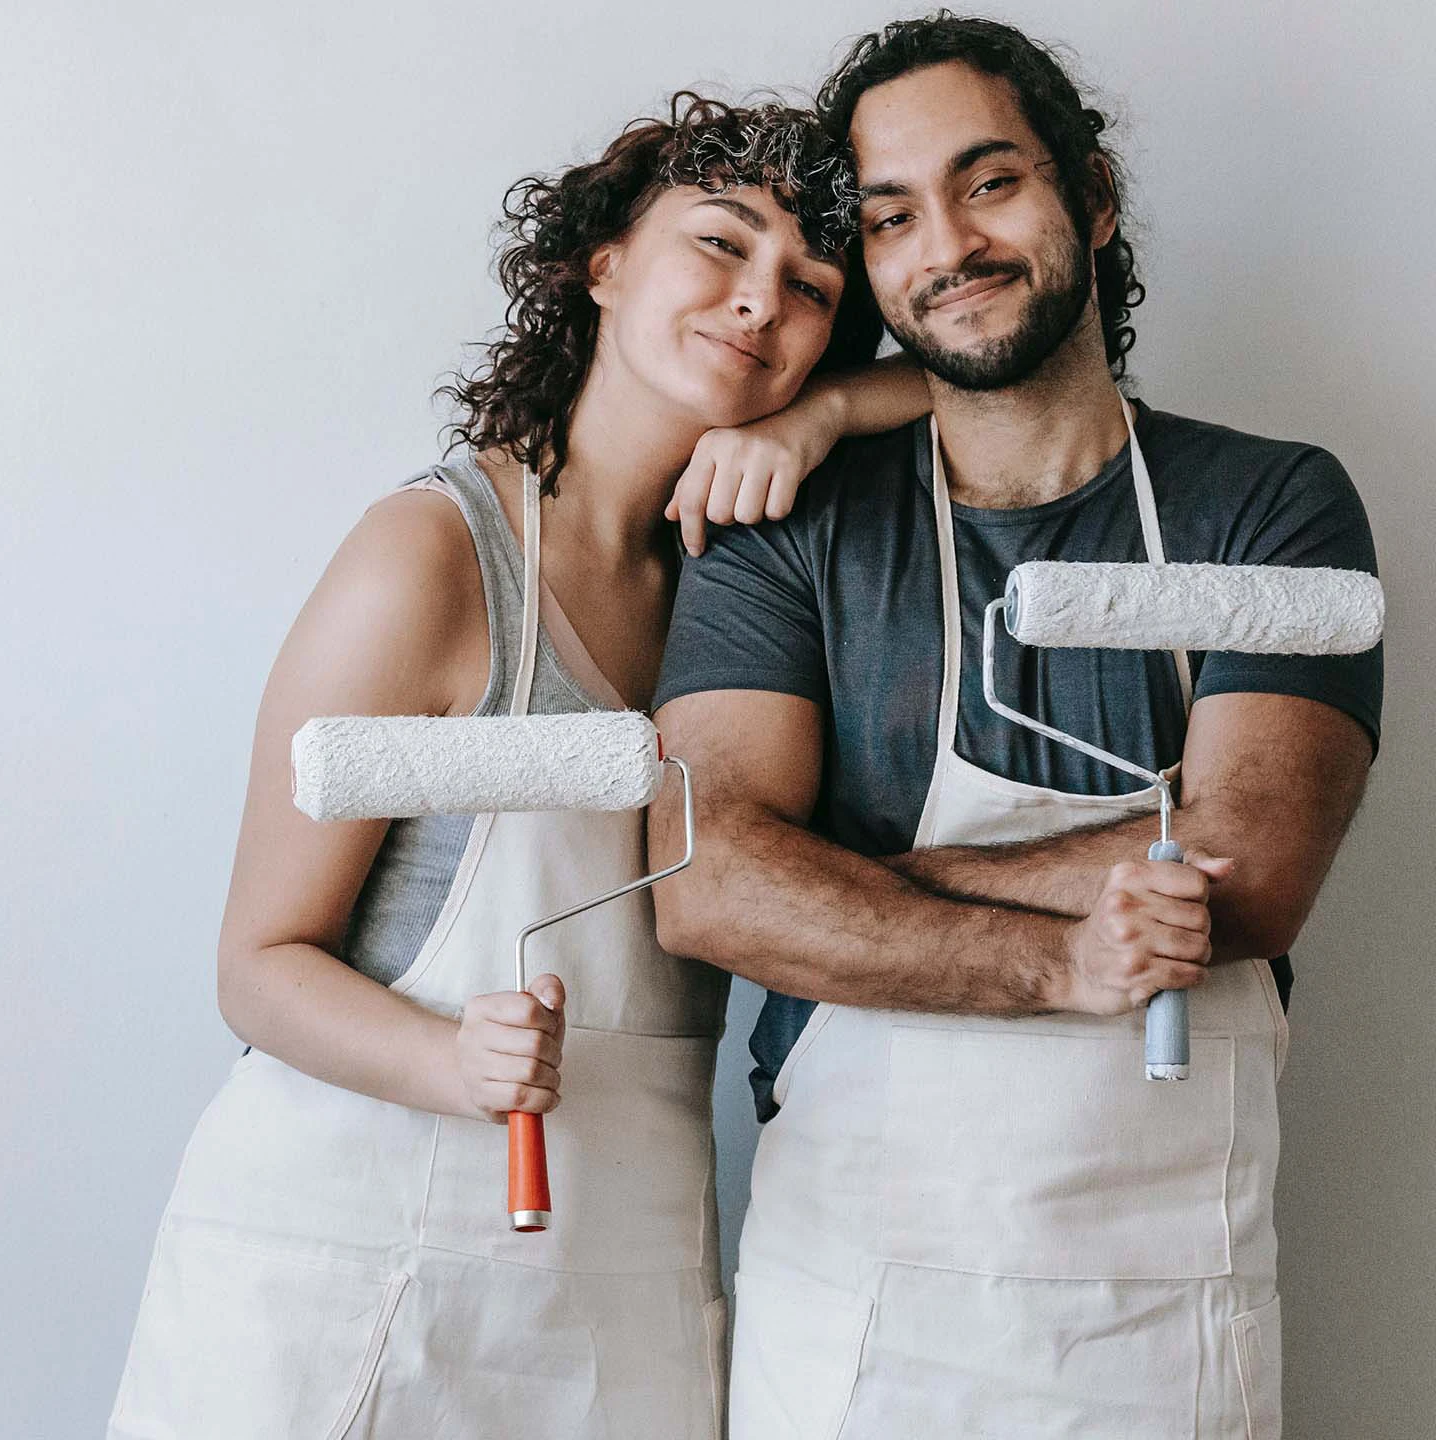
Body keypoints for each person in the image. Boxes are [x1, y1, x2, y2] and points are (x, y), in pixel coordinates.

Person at [107, 94, 930, 1439]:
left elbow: (996, 377)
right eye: (719, 246)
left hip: (626, 1279)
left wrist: (820, 420)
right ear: (601, 262)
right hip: (340, 1262)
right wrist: (451, 1065)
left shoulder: (753, 591)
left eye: (811, 289)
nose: (757, 304)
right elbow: (255, 965)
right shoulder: (432, 557)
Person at [646, 17, 1380, 1439]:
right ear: (866, 264)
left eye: (991, 183)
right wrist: (1068, 959)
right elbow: (704, 878)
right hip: (853, 1314)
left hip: (1167, 1319)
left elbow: (1250, 872)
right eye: (893, 214)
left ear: (1090, 198)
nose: (951, 244)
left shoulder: (1273, 507)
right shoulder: (787, 531)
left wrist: (856, 883)